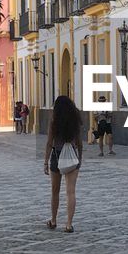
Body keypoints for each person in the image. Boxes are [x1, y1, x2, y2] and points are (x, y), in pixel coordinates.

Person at [44, 94, 83, 232]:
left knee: (55, 191)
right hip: (72, 155)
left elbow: (49, 142)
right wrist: (80, 158)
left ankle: (53, 220)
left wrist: (45, 162)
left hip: (56, 155)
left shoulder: (54, 120)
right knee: (70, 192)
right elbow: (79, 142)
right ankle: (69, 224)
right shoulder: (75, 119)